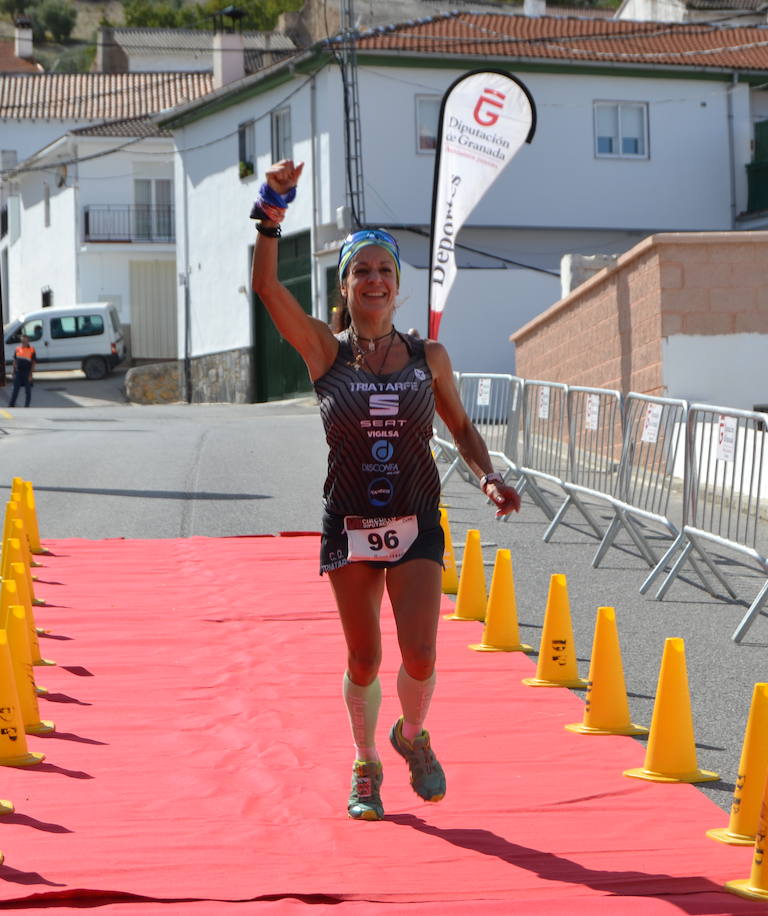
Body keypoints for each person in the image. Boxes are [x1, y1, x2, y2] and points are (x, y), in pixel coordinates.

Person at [251, 159, 521, 822]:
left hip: (415, 520)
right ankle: (365, 760)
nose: (374, 281)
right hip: (348, 522)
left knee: (423, 651)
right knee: (365, 658)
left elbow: (460, 426)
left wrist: (487, 473)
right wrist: (272, 206)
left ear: (397, 286)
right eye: (361, 271)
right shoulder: (324, 350)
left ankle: (412, 736)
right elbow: (264, 285)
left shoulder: (430, 357)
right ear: (344, 287)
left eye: (385, 272)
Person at [8, 333, 36, 407]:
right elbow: (14, 361)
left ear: (28, 341)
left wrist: (30, 374)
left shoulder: (31, 350)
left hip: (27, 372)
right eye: (23, 341)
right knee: (15, 390)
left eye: (25, 341)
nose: (24, 342)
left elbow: (33, 363)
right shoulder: (17, 349)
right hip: (18, 372)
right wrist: (13, 372)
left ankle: (27, 406)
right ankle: (11, 405)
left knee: (28, 391)